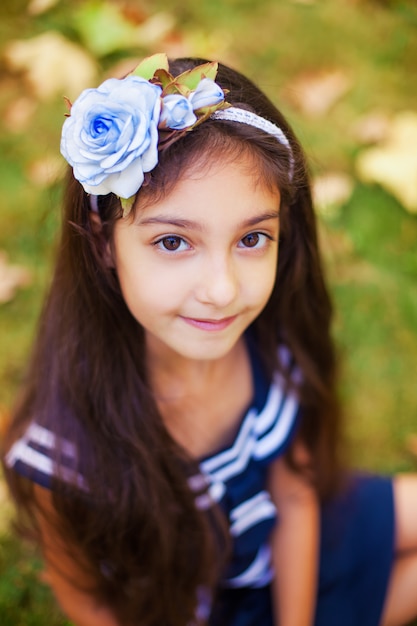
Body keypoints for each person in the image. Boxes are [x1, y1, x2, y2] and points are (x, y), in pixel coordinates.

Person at [2, 53, 417, 626]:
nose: (223, 291)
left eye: (252, 238)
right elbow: (92, 606)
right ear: (104, 245)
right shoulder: (63, 457)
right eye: (173, 242)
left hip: (306, 534)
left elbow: (295, 499)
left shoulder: (271, 346)